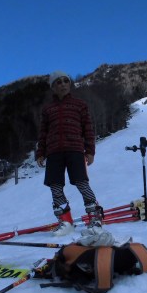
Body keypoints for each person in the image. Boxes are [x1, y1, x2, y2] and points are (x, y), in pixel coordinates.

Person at [36, 71, 104, 236]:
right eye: (58, 82)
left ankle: (95, 218)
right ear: (53, 87)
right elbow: (43, 133)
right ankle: (65, 221)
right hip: (53, 152)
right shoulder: (48, 109)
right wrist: (40, 152)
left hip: (75, 149)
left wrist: (90, 151)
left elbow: (88, 129)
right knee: (55, 186)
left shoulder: (80, 105)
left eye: (66, 81)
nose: (63, 84)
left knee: (82, 183)